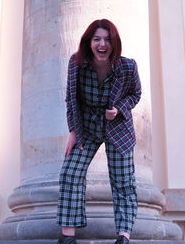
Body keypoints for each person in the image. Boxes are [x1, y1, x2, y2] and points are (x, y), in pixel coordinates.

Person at [57, 19, 141, 244]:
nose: (102, 44)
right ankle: (67, 238)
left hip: (119, 130)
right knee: (70, 172)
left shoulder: (128, 66)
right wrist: (73, 131)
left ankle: (123, 236)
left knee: (123, 181)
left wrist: (119, 109)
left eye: (107, 39)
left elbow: (136, 94)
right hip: (88, 126)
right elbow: (71, 99)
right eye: (97, 39)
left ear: (114, 43)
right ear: (89, 42)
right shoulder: (76, 63)